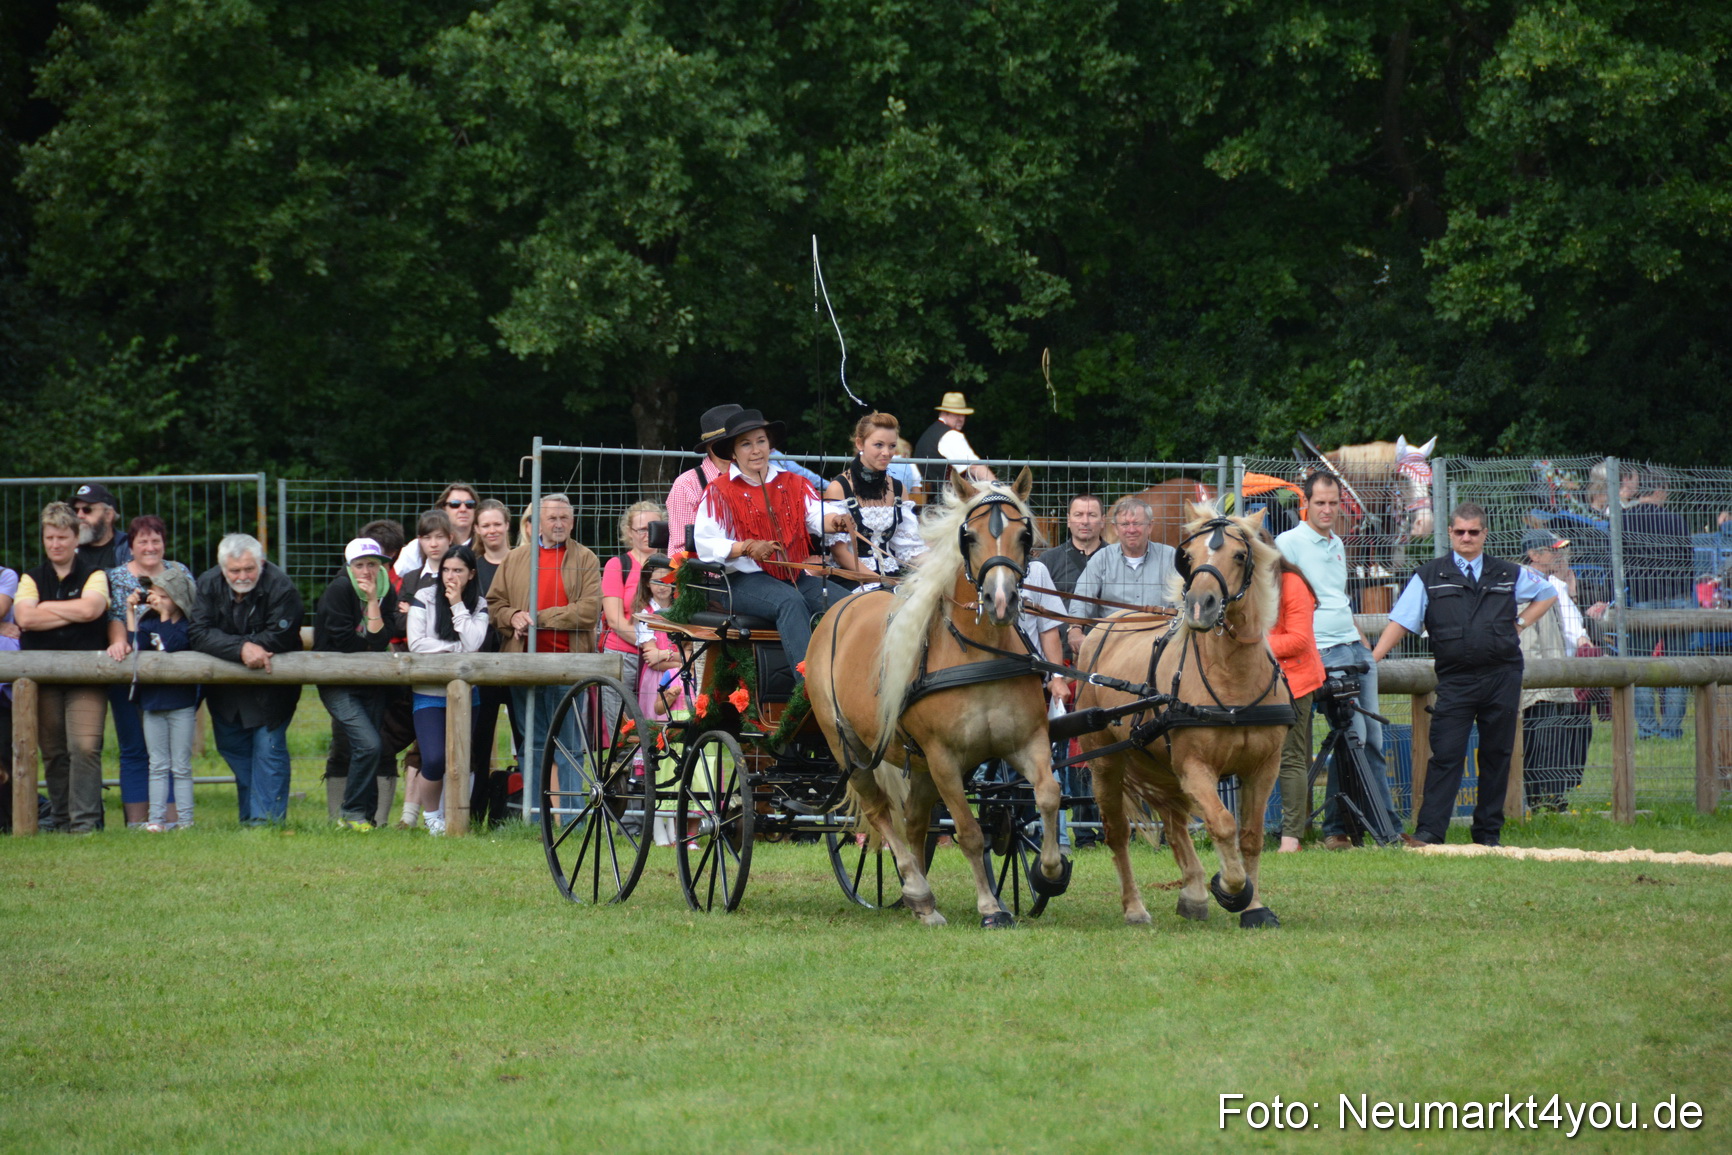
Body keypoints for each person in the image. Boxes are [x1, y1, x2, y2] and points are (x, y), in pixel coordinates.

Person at [1371, 502, 1557, 847]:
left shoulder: (1508, 573)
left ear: (1484, 534)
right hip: (1455, 679)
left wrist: (1520, 623)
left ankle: (1487, 835)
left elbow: (1547, 593)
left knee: (1497, 754)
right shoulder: (1429, 576)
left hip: (1502, 674)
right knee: (1446, 753)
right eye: (1460, 532)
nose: (1467, 537)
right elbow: (1402, 620)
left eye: (1473, 532)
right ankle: (1429, 833)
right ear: (1450, 534)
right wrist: (1374, 658)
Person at [1276, 472, 1396, 851]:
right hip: (1321, 652)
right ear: (1305, 504)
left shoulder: (1338, 543)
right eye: (1320, 503)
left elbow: (1336, 597)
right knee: (1354, 738)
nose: (1328, 510)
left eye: (1333, 503)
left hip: (1353, 647)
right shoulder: (1288, 544)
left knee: (1366, 739)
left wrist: (1362, 640)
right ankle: (1386, 829)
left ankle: (1336, 829)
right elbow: (1281, 604)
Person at [692, 408, 851, 667]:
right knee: (790, 602)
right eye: (746, 444)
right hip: (741, 582)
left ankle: (848, 677)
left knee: (847, 604)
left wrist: (836, 521)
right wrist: (746, 547)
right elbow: (706, 543)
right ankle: (807, 689)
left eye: (761, 441)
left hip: (792, 575)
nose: (755, 450)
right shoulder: (718, 491)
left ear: (770, 445)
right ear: (733, 452)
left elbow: (814, 515)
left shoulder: (793, 482)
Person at [486, 492, 602, 809]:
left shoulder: (586, 559)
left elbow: (589, 611)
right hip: (525, 666)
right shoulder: (515, 559)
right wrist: (513, 616)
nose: (559, 523)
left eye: (565, 517)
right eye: (552, 518)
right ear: (537, 522)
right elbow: (495, 605)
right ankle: (533, 815)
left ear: (573, 521)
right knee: (533, 744)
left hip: (569, 666)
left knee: (570, 746)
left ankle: (572, 817)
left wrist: (539, 618)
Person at [189, 533, 304, 825]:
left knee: (268, 751)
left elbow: (282, 635)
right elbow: (198, 632)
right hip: (226, 693)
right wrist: (241, 648)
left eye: (249, 569)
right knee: (233, 749)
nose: (242, 576)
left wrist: (235, 645)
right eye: (234, 571)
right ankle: (250, 818)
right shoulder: (208, 582)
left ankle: (265, 823)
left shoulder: (282, 587)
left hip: (272, 689)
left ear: (261, 563)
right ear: (222, 568)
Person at [13, 502, 111, 833]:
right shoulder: (30, 577)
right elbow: (25, 617)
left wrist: (46, 608)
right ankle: (60, 820)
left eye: (63, 537)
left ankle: (85, 824)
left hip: (87, 675)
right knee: (54, 752)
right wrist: (75, 608)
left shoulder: (96, 575)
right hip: (43, 676)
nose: (56, 544)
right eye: (50, 538)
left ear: (75, 538)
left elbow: (92, 610)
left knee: (84, 747)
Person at [103, 514, 196, 828]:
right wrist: (121, 640)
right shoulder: (116, 577)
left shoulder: (179, 572)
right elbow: (114, 617)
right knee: (133, 746)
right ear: (131, 545)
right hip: (134, 665)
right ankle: (139, 820)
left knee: (173, 756)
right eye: (142, 540)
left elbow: (191, 613)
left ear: (164, 543)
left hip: (174, 674)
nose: (150, 546)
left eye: (155, 540)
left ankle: (174, 819)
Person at [315, 537, 399, 830]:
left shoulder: (386, 589)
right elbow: (343, 640)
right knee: (369, 743)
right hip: (336, 679)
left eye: (372, 565)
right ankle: (351, 813)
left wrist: (373, 600)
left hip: (372, 682)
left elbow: (380, 638)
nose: (366, 571)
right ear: (349, 566)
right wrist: (371, 645)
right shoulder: (338, 590)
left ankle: (367, 818)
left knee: (371, 746)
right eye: (360, 565)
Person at [406, 545, 490, 834]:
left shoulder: (478, 603)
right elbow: (416, 644)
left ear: (471, 574)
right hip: (428, 693)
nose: (450, 577)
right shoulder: (424, 597)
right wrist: (455, 649)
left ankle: (451, 819)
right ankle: (431, 818)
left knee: (462, 759)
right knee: (433, 758)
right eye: (446, 570)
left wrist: (456, 605)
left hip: (468, 696)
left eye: (458, 571)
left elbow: (475, 643)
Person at [1517, 532, 1592, 812]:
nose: (1560, 555)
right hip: (1538, 684)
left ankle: (1552, 801)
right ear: (1534, 555)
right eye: (1553, 550)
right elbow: (1525, 637)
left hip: (1553, 680)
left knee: (1558, 741)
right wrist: (1539, 679)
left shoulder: (1546, 583)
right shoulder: (1525, 584)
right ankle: (1543, 803)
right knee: (1542, 746)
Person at [125, 566, 201, 832]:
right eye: (154, 593)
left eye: (163, 595)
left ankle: (185, 820)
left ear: (178, 599)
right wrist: (131, 612)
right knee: (157, 764)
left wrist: (167, 614)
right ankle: (156, 820)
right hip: (152, 704)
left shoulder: (186, 626)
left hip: (180, 704)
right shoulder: (148, 621)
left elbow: (173, 644)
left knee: (180, 765)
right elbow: (136, 646)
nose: (155, 599)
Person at [1622, 468, 1693, 740]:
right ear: (1661, 489)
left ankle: (1647, 729)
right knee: (1677, 666)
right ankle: (1671, 730)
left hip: (1642, 600)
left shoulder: (1626, 520)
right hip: (1677, 600)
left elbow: (1619, 561)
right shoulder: (1676, 520)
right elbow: (1688, 560)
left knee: (1641, 667)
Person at [1065, 498, 1177, 658]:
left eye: (1137, 523)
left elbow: (1182, 604)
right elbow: (1081, 599)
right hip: (1112, 646)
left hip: (1160, 647)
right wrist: (1075, 629)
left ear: (1150, 526)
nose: (1131, 530)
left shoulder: (1170, 557)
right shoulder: (1101, 558)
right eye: (1124, 524)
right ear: (1115, 528)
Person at [823, 412, 925, 583]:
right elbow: (841, 554)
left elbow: (910, 548)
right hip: (852, 577)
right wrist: (879, 581)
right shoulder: (839, 487)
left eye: (892, 446)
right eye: (878, 445)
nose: (887, 452)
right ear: (859, 443)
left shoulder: (899, 488)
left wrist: (942, 567)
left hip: (893, 574)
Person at [1268, 556, 1324, 852]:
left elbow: (1299, 640)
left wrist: (1252, 643)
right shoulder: (1239, 581)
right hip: (1254, 683)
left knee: (1290, 756)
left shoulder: (1292, 583)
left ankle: (1291, 838)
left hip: (1295, 681)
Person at [470, 497, 519, 825]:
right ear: (477, 529)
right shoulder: (471, 565)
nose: (492, 530)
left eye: (496, 524)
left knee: (525, 735)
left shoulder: (521, 561)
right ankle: (473, 812)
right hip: (483, 665)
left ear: (507, 526)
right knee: (479, 741)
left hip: (516, 662)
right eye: (485, 525)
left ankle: (521, 810)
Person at [601, 501, 667, 721]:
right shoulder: (617, 565)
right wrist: (651, 646)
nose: (648, 534)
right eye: (641, 529)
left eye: (654, 527)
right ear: (629, 532)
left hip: (663, 660)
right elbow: (615, 620)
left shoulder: (673, 565)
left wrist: (663, 653)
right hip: (625, 656)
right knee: (624, 728)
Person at [666, 403, 743, 553]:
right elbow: (682, 550)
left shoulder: (757, 479)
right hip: (710, 573)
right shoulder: (687, 484)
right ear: (712, 445)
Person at [912, 392, 993, 492]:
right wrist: (997, 487)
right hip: (948, 501)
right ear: (945, 413)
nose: (961, 419)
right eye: (956, 414)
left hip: (930, 500)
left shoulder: (929, 433)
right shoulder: (951, 436)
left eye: (963, 415)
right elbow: (974, 466)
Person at [396, 483, 479, 576]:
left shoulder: (485, 545)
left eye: (470, 504)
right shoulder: (416, 548)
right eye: (455, 504)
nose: (463, 509)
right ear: (443, 508)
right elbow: (398, 581)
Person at [71, 482, 132, 569]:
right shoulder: (70, 547)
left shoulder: (128, 547)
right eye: (75, 510)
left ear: (108, 515)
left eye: (87, 510)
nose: (79, 515)